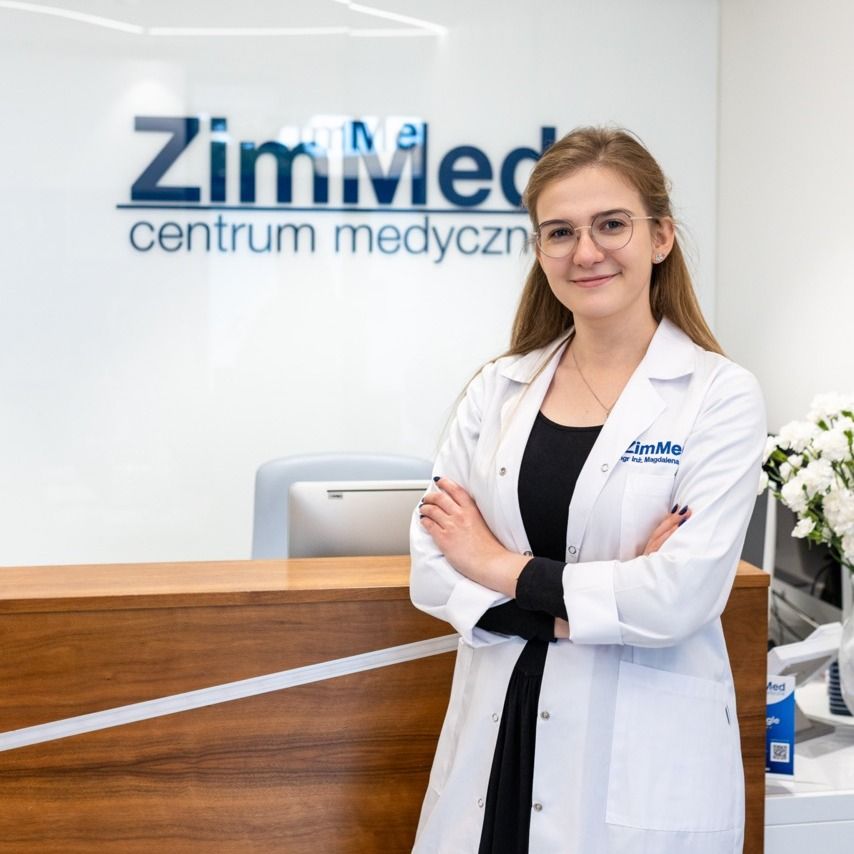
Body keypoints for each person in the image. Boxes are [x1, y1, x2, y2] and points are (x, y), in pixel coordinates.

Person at [409, 126, 766, 854]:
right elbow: (434, 564)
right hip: (499, 732)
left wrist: (496, 564)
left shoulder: (719, 396)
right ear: (540, 250)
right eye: (560, 232)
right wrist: (593, 605)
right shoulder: (499, 389)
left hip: (636, 753)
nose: (586, 251)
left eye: (611, 224)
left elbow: (679, 596)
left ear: (661, 236)